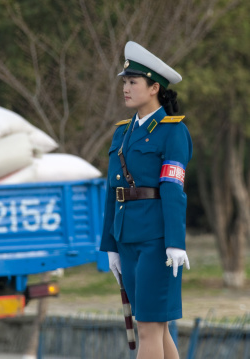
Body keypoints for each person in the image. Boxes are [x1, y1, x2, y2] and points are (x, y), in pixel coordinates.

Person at [99, 41, 192, 359]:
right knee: (158, 329)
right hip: (127, 239)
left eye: (132, 82)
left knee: (149, 329)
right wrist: (110, 243)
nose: (125, 88)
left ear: (154, 87)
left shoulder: (172, 132)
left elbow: (172, 188)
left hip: (157, 241)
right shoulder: (122, 133)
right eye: (124, 81)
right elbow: (114, 190)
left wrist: (175, 242)